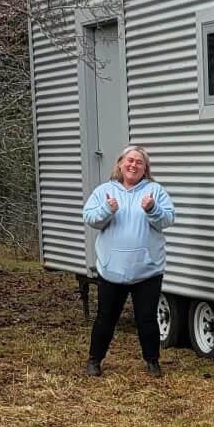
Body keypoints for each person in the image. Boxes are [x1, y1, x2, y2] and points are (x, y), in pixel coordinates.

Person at [81, 145, 175, 377]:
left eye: (139, 162)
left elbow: (168, 219)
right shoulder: (105, 191)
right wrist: (107, 209)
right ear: (120, 164)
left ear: (145, 169)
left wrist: (152, 209)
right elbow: (89, 217)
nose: (133, 165)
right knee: (105, 318)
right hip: (112, 269)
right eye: (130, 161)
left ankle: (152, 361)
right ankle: (94, 360)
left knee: (147, 319)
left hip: (147, 270)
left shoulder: (155, 191)